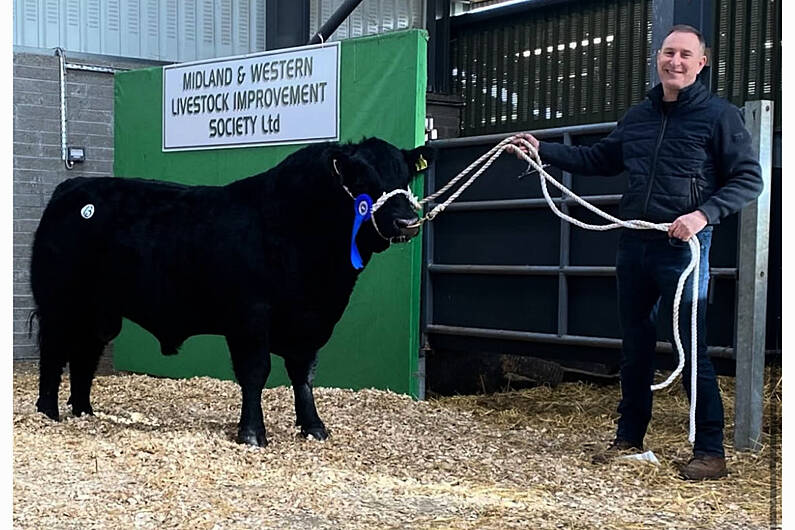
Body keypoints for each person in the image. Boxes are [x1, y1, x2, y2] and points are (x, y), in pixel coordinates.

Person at [508, 24, 763, 480]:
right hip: (635, 245)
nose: (675, 61)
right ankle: (629, 437)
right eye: (669, 53)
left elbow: (747, 179)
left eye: (686, 54)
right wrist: (543, 151)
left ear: (701, 63)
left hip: (683, 249)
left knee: (692, 348)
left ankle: (710, 450)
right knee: (635, 347)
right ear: (658, 58)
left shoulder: (719, 117)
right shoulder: (639, 116)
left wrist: (703, 215)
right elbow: (602, 160)